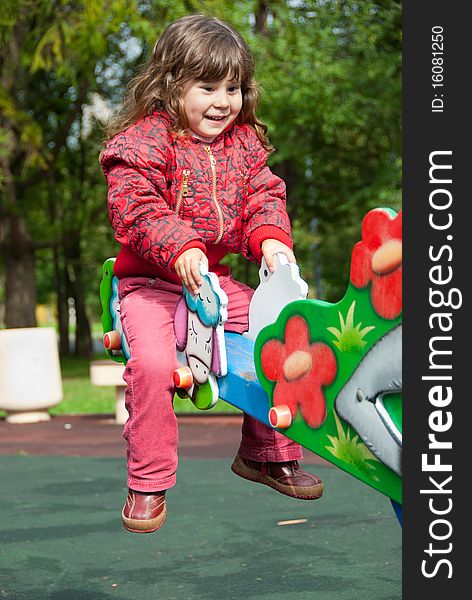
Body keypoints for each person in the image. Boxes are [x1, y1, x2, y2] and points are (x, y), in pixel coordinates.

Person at [100, 14, 323, 534]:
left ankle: (267, 453)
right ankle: (148, 481)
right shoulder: (144, 143)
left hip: (212, 286)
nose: (223, 101)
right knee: (153, 366)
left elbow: (264, 196)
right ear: (171, 85)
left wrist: (271, 240)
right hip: (150, 287)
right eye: (207, 87)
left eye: (234, 88)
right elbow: (134, 207)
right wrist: (179, 246)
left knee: (282, 335)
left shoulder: (243, 146)